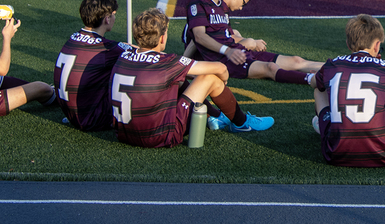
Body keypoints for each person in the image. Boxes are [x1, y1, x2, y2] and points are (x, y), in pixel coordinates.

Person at [111, 8, 273, 148]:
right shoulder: (169, 62)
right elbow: (221, 68)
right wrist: (221, 82)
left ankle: (216, 117)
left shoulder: (124, 55)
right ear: (162, 37)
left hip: (123, 135)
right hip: (158, 137)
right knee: (210, 78)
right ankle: (241, 123)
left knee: (178, 78)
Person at [312, 14, 385, 167]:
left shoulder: (332, 64)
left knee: (318, 90)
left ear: (348, 43)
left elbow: (314, 82)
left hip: (336, 154)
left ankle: (327, 124)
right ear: (377, 45)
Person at [186, 0, 318, 86]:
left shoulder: (222, 7)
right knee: (270, 67)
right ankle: (313, 80)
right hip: (224, 59)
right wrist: (184, 64)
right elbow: (199, 37)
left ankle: (334, 66)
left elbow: (228, 35)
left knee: (296, 60)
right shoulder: (198, 4)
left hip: (237, 51)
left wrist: (239, 45)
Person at [54, 0, 132, 131]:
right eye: (114, 14)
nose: (115, 18)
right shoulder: (106, 49)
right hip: (90, 119)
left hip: (70, 112)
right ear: (107, 19)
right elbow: (139, 53)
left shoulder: (73, 38)